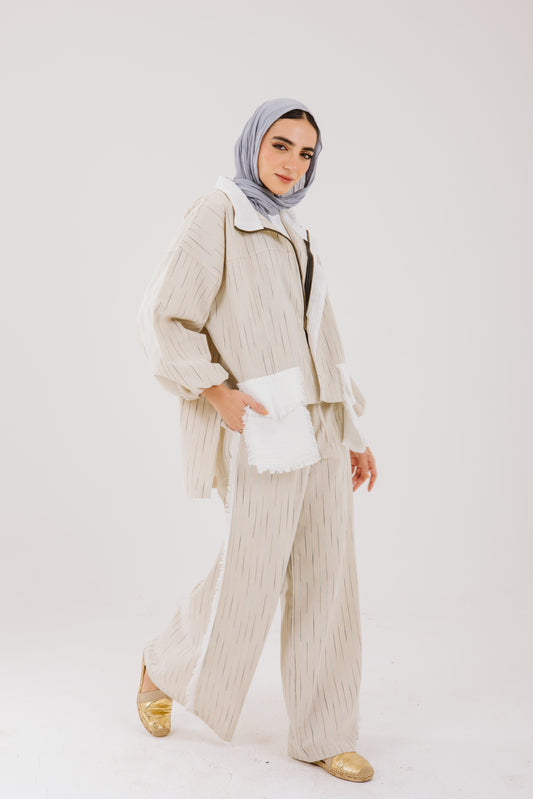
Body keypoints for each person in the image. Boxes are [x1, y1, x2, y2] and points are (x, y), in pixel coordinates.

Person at [135, 97, 378, 783]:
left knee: (328, 576)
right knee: (252, 570)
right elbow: (164, 317)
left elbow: (322, 339)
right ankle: (162, 666)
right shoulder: (216, 214)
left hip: (319, 425)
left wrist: (351, 432)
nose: (291, 163)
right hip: (262, 423)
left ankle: (325, 731)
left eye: (305, 153)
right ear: (253, 144)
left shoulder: (294, 230)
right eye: (280, 145)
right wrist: (216, 392)